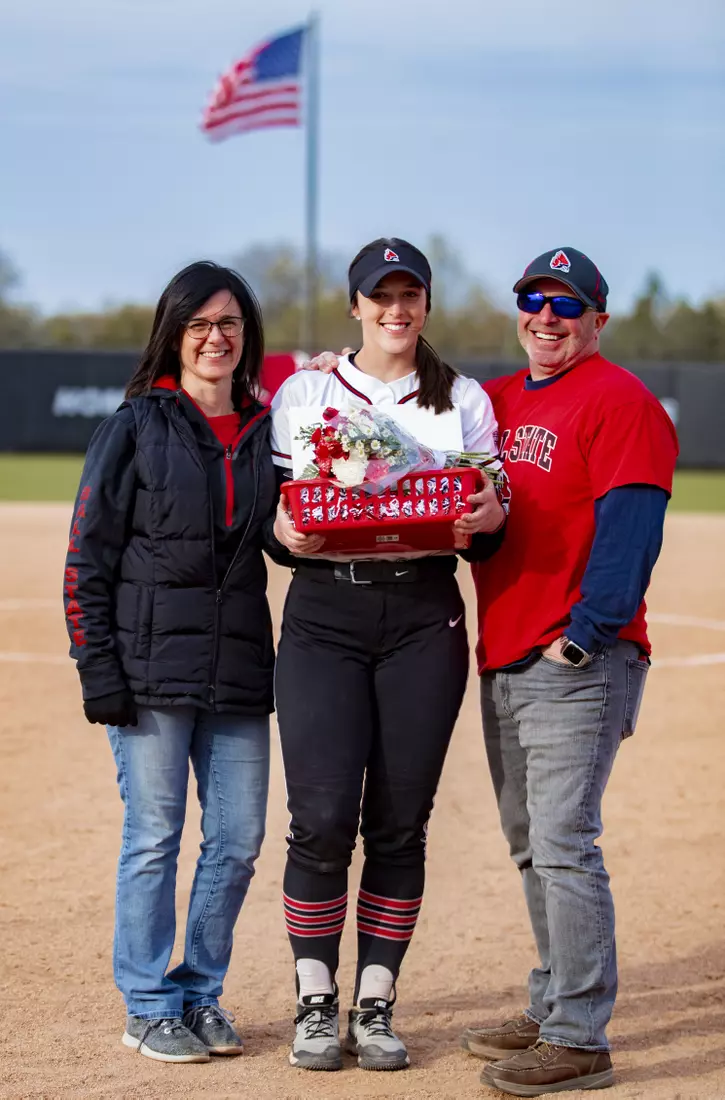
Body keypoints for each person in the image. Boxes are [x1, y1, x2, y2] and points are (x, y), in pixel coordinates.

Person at [269, 237, 507, 1072]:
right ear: (355, 304)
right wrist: (283, 531)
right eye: (381, 296)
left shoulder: (462, 400)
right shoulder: (304, 391)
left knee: (400, 825)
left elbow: (486, 523)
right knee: (321, 820)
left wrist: (486, 520)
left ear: (426, 306)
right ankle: (313, 1000)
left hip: (421, 613)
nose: (395, 311)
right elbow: (278, 521)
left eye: (410, 296)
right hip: (324, 616)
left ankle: (374, 1003)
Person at [458, 248, 679, 1096]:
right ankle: (553, 999)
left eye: (565, 304)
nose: (545, 317)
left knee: (562, 843)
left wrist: (583, 638)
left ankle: (579, 1036)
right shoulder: (500, 401)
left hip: (575, 659)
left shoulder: (620, 402)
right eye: (532, 301)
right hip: (506, 650)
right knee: (530, 845)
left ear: (596, 319)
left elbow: (631, 534)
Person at [63, 261, 287, 1063]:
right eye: (199, 324)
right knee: (155, 838)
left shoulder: (266, 431)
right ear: (174, 333)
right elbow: (86, 556)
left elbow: (286, 533)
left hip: (236, 674)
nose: (215, 338)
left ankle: (199, 991)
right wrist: (98, 668)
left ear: (245, 335)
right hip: (149, 673)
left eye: (229, 324)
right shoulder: (132, 426)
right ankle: (149, 1003)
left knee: (237, 839)